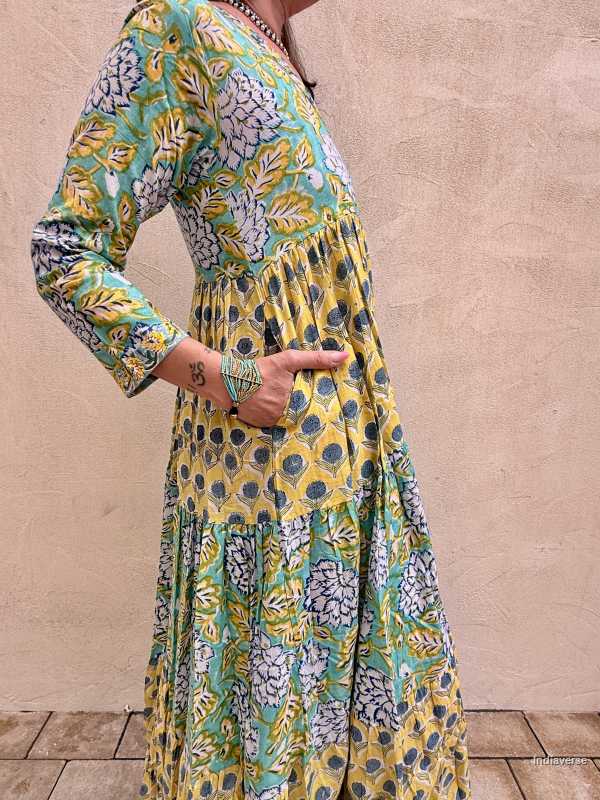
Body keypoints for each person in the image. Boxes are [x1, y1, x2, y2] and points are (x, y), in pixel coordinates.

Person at [30, 0, 472, 797]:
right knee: (268, 718)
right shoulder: (179, 29)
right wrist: (227, 380)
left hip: (349, 459)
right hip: (266, 473)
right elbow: (66, 255)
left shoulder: (272, 48)